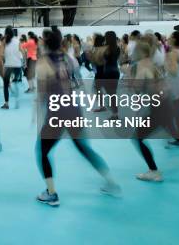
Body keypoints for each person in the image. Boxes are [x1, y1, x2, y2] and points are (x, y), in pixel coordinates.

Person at [35, 29, 120, 206]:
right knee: (84, 148)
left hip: (57, 112)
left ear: (45, 43)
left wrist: (37, 112)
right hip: (73, 109)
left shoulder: (43, 63)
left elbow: (42, 93)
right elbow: (79, 83)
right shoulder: (69, 59)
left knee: (42, 152)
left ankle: (51, 193)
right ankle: (111, 182)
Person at [134, 33, 179, 183]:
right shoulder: (152, 64)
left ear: (140, 52)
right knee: (178, 136)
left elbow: (138, 88)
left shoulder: (143, 66)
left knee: (137, 137)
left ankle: (154, 171)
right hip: (165, 105)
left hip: (160, 108)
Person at [0, 26, 22, 109]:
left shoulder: (4, 41)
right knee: (16, 83)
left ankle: (6, 103)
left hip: (8, 65)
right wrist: (24, 62)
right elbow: (23, 51)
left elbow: (1, 54)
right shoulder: (17, 40)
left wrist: (5, 59)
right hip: (17, 65)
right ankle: (17, 101)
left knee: (5, 85)